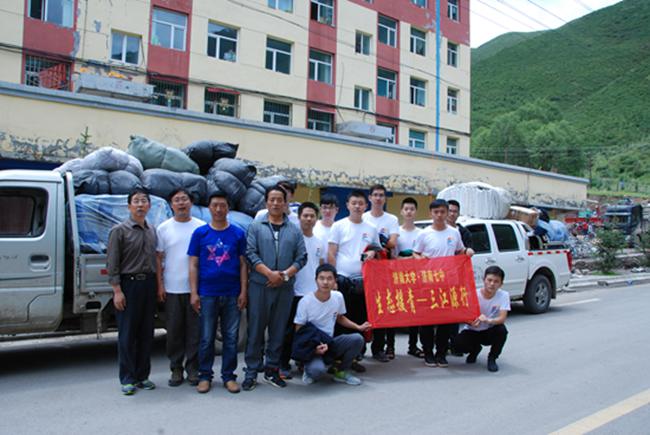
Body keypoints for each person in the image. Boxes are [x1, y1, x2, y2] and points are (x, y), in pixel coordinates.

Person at [244, 185, 307, 391]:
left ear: (285, 203)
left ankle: (272, 370)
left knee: (278, 331)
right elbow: (250, 253)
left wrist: (285, 275)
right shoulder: (256, 227)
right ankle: (251, 372)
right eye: (272, 199)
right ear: (266, 202)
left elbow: (301, 257)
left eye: (280, 200)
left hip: (284, 288)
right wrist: (269, 274)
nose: (276, 203)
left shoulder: (294, 230)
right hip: (259, 286)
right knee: (255, 330)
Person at [188, 192, 248, 394]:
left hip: (232, 293)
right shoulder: (200, 234)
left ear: (228, 208)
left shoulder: (238, 234)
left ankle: (229, 376)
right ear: (209, 208)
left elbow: (243, 265)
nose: (219, 209)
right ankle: (205, 376)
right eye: (215, 205)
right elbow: (193, 264)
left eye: (223, 205)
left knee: (231, 338)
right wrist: (194, 292)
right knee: (206, 338)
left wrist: (244, 291)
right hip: (207, 293)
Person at [107, 188, 158, 395]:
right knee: (127, 334)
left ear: (149, 206)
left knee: (146, 333)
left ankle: (142, 376)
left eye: (144, 201)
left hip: (149, 285)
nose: (140, 205)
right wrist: (117, 290)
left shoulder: (152, 230)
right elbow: (112, 263)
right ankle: (127, 378)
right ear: (129, 206)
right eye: (136, 201)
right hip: (129, 285)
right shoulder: (119, 231)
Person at [156, 189, 205, 387]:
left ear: (191, 203)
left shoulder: (201, 227)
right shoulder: (163, 228)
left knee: (195, 331)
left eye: (184, 199)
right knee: (174, 331)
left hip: (196, 289)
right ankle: (176, 368)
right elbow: (158, 259)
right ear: (171, 205)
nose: (181, 203)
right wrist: (160, 284)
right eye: (176, 200)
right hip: (172, 288)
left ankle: (193, 368)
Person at [413, 199, 470, 368]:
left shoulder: (454, 233)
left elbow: (460, 250)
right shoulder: (424, 234)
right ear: (431, 213)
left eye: (442, 212)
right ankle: (428, 353)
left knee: (446, 321)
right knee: (427, 321)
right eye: (436, 212)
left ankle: (441, 353)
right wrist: (420, 259)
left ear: (447, 213)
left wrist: (467, 251)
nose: (439, 215)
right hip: (428, 283)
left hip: (448, 283)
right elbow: (415, 253)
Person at [328, 190, 381, 372]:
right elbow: (331, 253)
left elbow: (378, 251)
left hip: (364, 281)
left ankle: (356, 356)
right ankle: (339, 357)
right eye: (354, 203)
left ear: (366, 206)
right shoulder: (338, 226)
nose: (357, 206)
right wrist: (333, 279)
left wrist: (372, 252)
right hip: (342, 280)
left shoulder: (371, 228)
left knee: (361, 318)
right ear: (347, 205)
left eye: (360, 203)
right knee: (342, 318)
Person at [293, 264, 371, 386]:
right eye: (321, 278)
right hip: (313, 344)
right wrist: (314, 348)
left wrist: (358, 327)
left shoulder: (338, 297)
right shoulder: (305, 302)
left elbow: (340, 317)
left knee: (357, 339)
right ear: (316, 280)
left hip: (330, 342)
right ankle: (307, 368)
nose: (325, 282)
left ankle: (341, 371)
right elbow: (299, 329)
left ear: (335, 281)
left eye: (329, 278)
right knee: (317, 371)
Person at [280, 202, 328, 379]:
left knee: (309, 332)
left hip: (313, 294)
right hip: (294, 293)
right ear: (299, 218)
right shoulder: (292, 239)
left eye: (312, 216)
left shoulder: (319, 242)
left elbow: (320, 266)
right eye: (305, 215)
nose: (308, 219)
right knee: (289, 331)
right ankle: (283, 364)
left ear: (316, 218)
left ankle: (303, 360)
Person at [363, 184, 399, 362]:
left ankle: (379, 348)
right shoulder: (363, 218)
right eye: (375, 195)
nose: (378, 198)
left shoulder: (391, 219)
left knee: (382, 308)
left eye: (381, 195)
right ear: (369, 198)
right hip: (365, 270)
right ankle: (359, 349)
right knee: (363, 310)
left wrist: (377, 244)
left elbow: (392, 243)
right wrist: (378, 245)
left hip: (384, 271)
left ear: (385, 198)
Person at [453, 266, 510, 372]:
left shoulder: (504, 295)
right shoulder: (473, 294)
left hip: (489, 330)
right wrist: (470, 322)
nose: (492, 284)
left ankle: (492, 358)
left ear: (501, 284)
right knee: (456, 345)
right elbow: (462, 315)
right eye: (489, 280)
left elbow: (502, 318)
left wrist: (488, 320)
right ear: (484, 280)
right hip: (472, 330)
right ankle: (475, 350)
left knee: (501, 330)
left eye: (496, 281)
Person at [445, 199, 475, 355]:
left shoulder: (463, 233)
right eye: (449, 210)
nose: (452, 214)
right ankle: (439, 346)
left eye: (455, 211)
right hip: (437, 278)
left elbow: (466, 252)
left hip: (456, 278)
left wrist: (467, 252)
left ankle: (454, 344)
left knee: (455, 312)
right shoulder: (434, 230)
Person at [396, 197, 424, 359]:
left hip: (416, 277)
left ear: (416, 212)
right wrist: (407, 259)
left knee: (415, 312)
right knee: (395, 310)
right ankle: (390, 346)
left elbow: (423, 255)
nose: (409, 212)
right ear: (401, 211)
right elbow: (392, 257)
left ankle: (413, 346)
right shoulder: (396, 232)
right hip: (398, 276)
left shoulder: (421, 233)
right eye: (406, 209)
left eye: (412, 209)